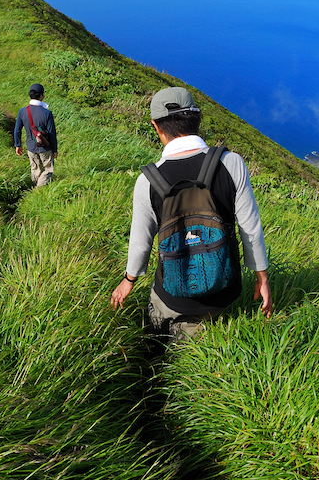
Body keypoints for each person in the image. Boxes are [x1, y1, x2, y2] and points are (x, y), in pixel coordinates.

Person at [110, 86, 272, 342]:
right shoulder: (231, 163)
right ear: (197, 120)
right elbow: (250, 228)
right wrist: (261, 277)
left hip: (174, 299)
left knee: (161, 339)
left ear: (156, 126)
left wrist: (128, 280)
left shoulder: (147, 181)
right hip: (225, 291)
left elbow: (141, 244)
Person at [13, 83, 58, 186]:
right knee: (48, 170)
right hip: (45, 147)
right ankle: (39, 190)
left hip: (31, 147)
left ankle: (35, 189)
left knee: (35, 169)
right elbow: (52, 133)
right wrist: (55, 149)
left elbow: (17, 130)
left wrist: (18, 145)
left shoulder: (22, 111)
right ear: (41, 95)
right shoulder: (47, 113)